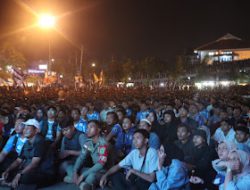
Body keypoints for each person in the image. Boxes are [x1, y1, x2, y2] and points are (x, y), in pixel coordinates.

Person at [1, 119, 54, 189]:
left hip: (44, 172)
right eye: (25, 128)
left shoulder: (40, 141)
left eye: (28, 128)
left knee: (24, 177)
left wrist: (19, 174)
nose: (25, 130)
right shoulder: (27, 142)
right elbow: (18, 160)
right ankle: (12, 184)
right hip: (33, 171)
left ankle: (13, 184)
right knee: (8, 172)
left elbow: (34, 163)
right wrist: (8, 170)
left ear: (36, 131)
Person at [64, 120, 109, 190]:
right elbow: (82, 157)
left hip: (101, 171)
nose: (88, 129)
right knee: (70, 167)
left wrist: (83, 175)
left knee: (91, 176)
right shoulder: (89, 143)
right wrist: (75, 171)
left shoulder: (102, 144)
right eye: (87, 127)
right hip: (91, 169)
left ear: (98, 130)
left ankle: (74, 180)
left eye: (91, 127)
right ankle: (81, 183)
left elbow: (101, 163)